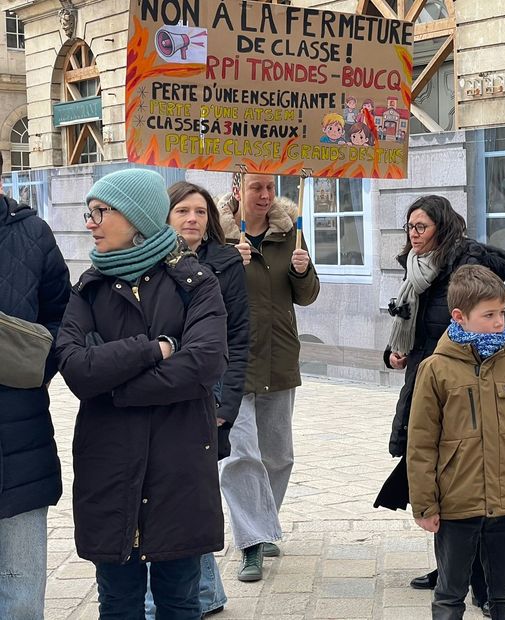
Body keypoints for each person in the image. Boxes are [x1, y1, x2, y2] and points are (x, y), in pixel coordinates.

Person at [56, 168, 229, 618]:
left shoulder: (196, 283)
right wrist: (155, 349)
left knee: (180, 602)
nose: (90, 222)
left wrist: (115, 386)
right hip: (109, 467)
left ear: (136, 218)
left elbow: (203, 365)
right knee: (117, 603)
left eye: (101, 211)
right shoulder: (89, 289)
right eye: (89, 212)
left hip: (178, 467)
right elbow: (75, 368)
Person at [376, 194, 505, 616]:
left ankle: (483, 585)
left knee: (471, 482)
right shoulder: (416, 269)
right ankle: (451, 569)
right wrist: (394, 354)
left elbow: (502, 326)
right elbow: (411, 327)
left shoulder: (469, 265)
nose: (413, 234)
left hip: (470, 391)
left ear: (441, 226)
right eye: (409, 227)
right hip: (426, 382)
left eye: (420, 226)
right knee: (439, 476)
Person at [407, 265, 505, 619]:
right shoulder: (435, 369)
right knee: (450, 593)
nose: (499, 322)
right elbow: (421, 444)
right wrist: (425, 505)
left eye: (502, 312)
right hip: (457, 503)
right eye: (489, 315)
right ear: (460, 316)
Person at [143, 182, 251, 618]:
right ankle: (203, 592)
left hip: (208, 393)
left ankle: (199, 593)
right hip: (158, 389)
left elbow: (238, 338)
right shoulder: (145, 263)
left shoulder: (226, 263)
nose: (192, 219)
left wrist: (227, 405)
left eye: (201, 212)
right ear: (164, 216)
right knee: (165, 489)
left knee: (193, 491)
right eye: (182, 211)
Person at [217, 173, 320, 582]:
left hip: (278, 358)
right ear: (237, 188)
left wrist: (302, 271)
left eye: (270, 188)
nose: (264, 195)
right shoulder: (218, 236)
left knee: (278, 455)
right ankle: (252, 542)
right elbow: (198, 289)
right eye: (255, 187)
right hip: (233, 362)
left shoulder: (289, 233)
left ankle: (261, 522)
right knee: (241, 454)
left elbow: (307, 296)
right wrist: (228, 263)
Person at [0, 152, 71, 619]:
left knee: (21, 593)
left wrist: (30, 369)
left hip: (19, 437)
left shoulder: (33, 233)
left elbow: (62, 318)